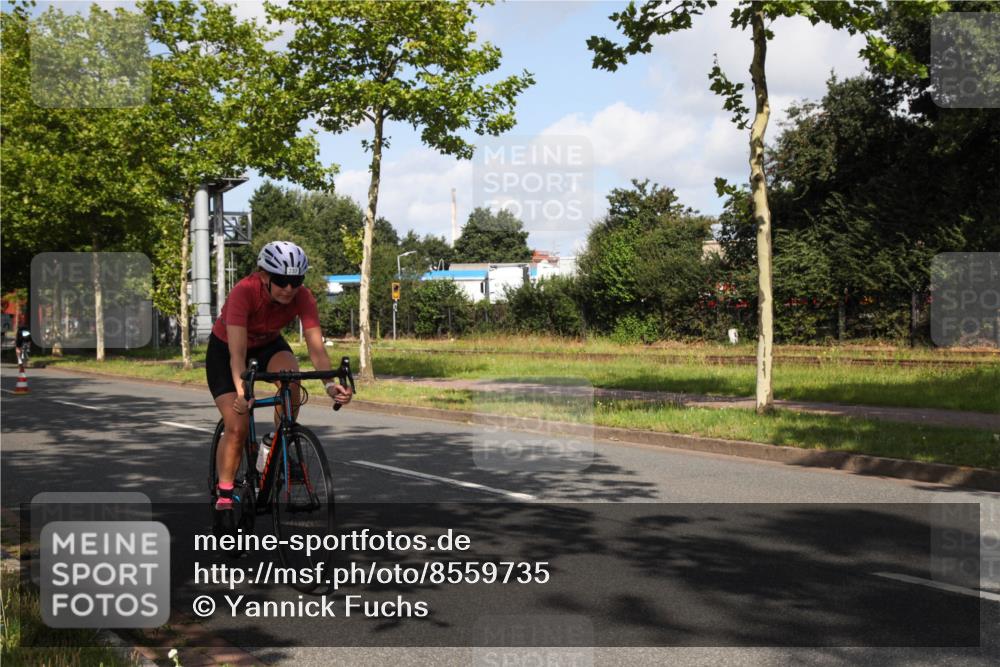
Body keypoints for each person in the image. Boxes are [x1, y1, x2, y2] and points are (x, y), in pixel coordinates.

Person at [206, 241, 352, 535]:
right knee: (237, 425)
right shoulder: (244, 292)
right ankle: (224, 496)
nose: (289, 288)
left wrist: (329, 385)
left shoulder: (303, 297)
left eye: (296, 281)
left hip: (267, 345)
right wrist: (242, 392)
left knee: (292, 378)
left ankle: (275, 441)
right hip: (227, 351)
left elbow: (316, 346)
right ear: (263, 276)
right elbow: (237, 355)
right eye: (282, 281)